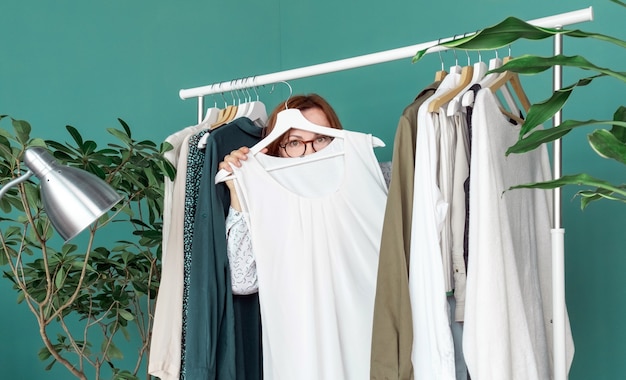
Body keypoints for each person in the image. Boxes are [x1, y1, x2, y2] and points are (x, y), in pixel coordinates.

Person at [218, 93, 344, 295]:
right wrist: (239, 190)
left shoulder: (375, 176)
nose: (310, 153)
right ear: (279, 152)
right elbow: (243, 281)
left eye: (320, 138)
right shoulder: (275, 207)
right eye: (295, 142)